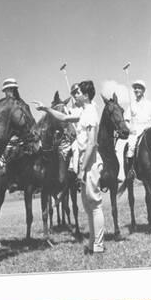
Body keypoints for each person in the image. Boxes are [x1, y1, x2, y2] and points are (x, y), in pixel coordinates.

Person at [35, 80, 105, 254]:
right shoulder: (83, 112)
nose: (74, 95)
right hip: (83, 162)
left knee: (95, 205)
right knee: (88, 206)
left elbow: (91, 144)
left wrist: (81, 170)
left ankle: (98, 245)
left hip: (90, 163)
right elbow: (64, 117)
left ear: (86, 95)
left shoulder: (90, 114)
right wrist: (46, 109)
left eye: (77, 93)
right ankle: (93, 243)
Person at [124, 79, 151, 179]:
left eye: (139, 88)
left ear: (143, 90)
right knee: (131, 145)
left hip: (149, 128)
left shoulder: (150, 104)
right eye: (135, 88)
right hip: (135, 130)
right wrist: (130, 129)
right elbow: (126, 120)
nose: (136, 90)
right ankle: (131, 171)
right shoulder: (131, 105)